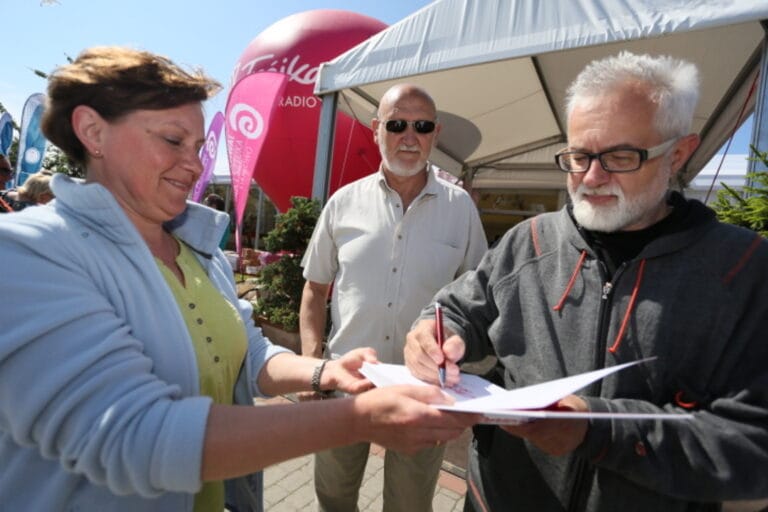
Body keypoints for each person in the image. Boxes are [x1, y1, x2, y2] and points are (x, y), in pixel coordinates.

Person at [0, 46, 479, 512]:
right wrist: (354, 418)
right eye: (172, 141)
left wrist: (323, 371)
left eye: (199, 146)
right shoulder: (27, 252)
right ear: (91, 131)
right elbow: (134, 436)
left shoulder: (199, 253)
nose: (193, 165)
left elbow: (247, 353)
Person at [405, 51, 768, 511]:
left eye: (620, 156)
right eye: (578, 156)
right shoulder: (529, 240)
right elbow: (458, 309)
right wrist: (434, 333)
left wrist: (601, 430)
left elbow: (754, 441)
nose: (591, 178)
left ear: (679, 152)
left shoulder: (745, 270)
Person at [300, 84, 488, 512]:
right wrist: (313, 363)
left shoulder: (460, 209)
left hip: (422, 392)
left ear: (435, 134)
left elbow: (479, 300)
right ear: (375, 129)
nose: (409, 136)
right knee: (333, 496)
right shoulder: (342, 203)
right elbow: (314, 288)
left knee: (410, 504)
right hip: (344, 384)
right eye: (397, 124)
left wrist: (465, 378)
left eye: (421, 126)